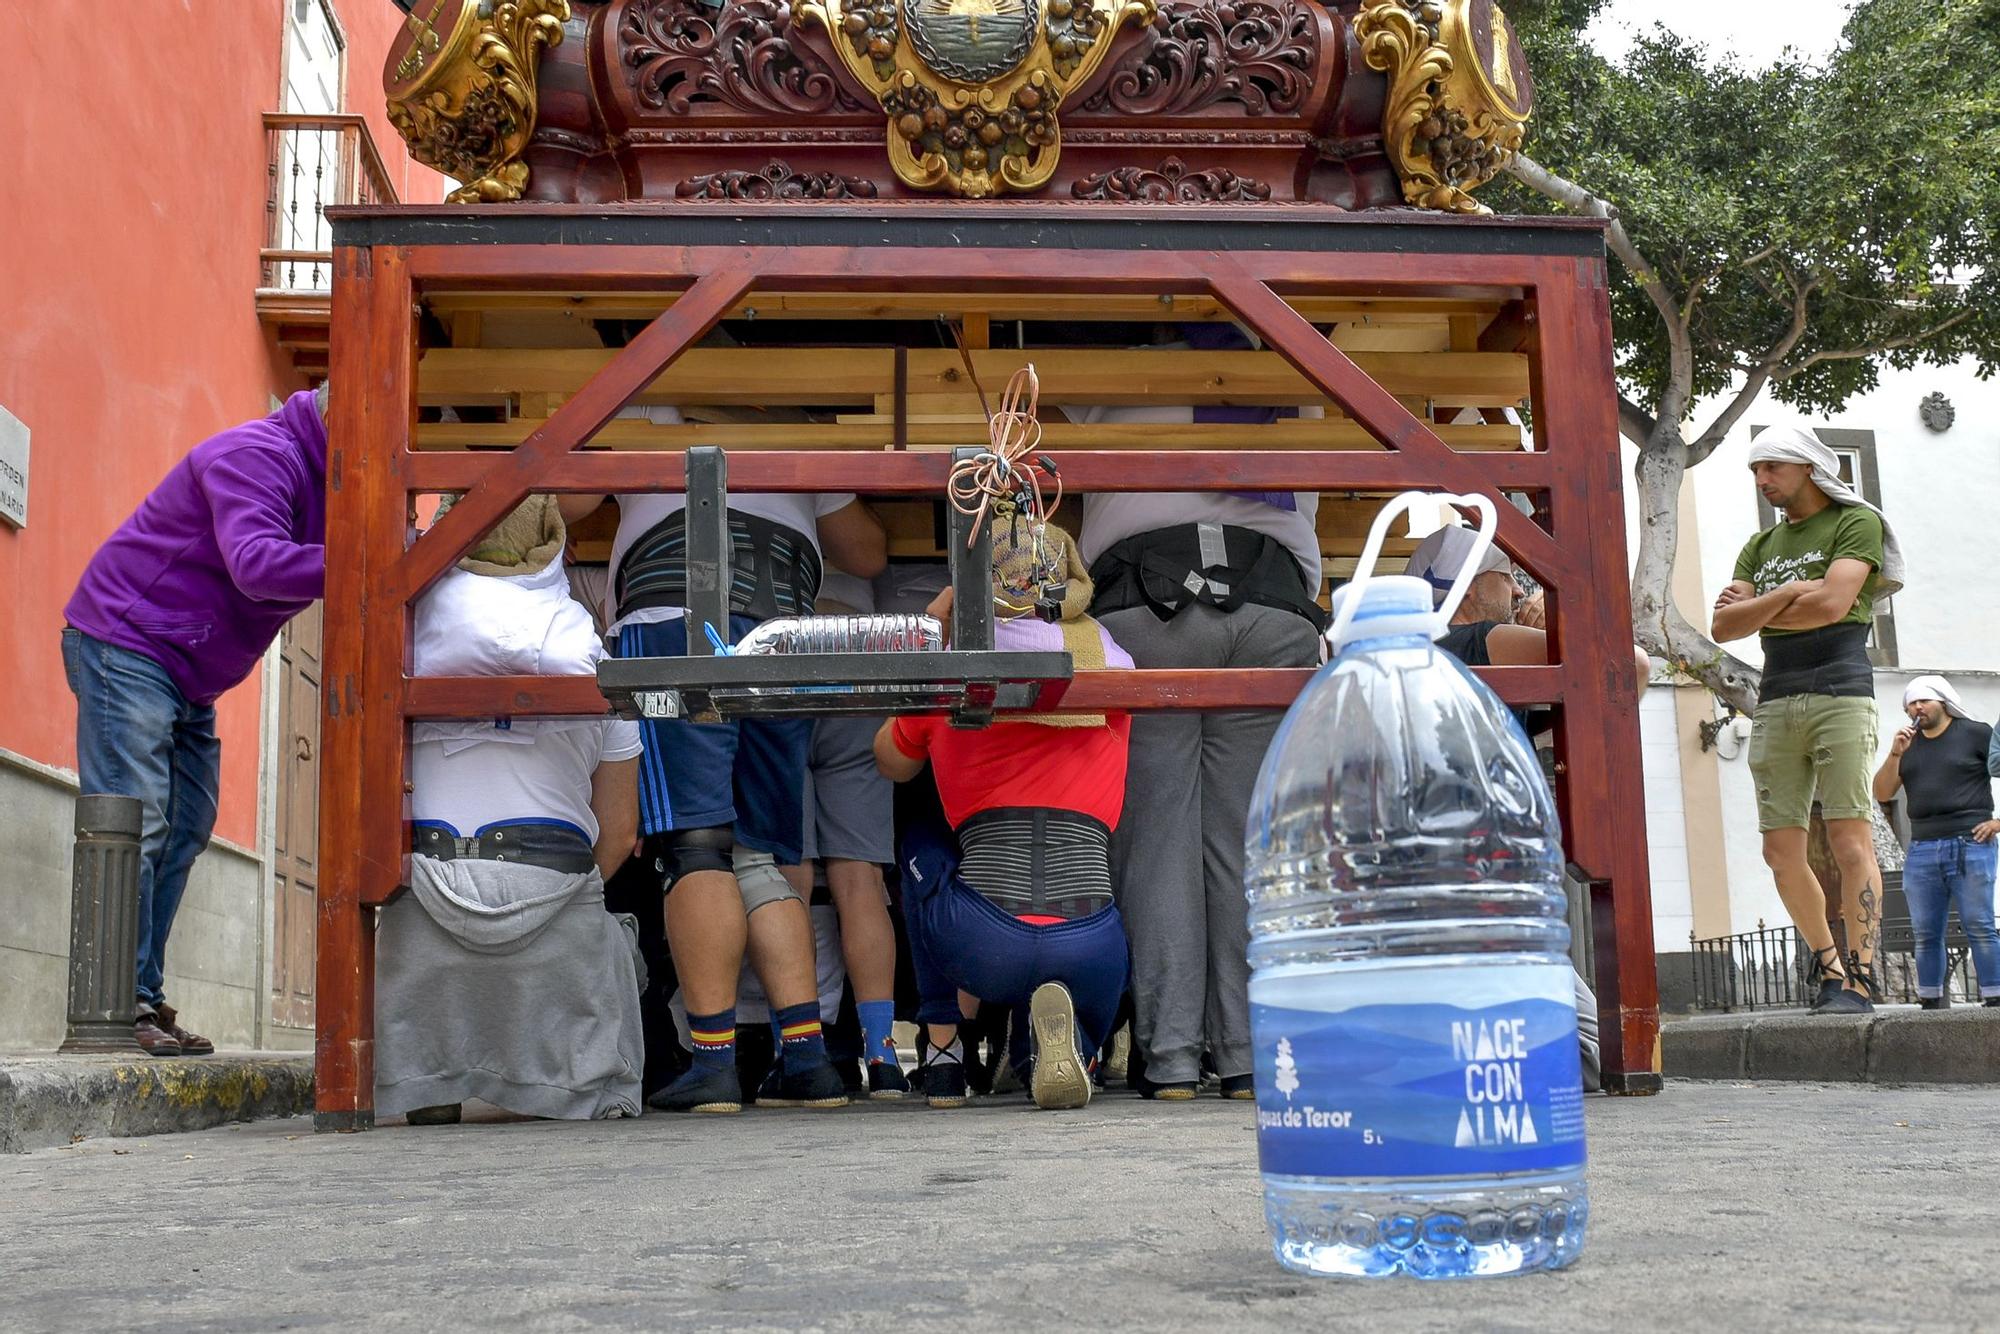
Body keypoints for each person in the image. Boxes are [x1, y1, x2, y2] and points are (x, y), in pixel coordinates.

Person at [563, 446, 887, 1113]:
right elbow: (870, 553)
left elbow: (559, 507)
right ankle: (805, 1058)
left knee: (697, 845)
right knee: (760, 852)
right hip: (784, 624)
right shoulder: (793, 430)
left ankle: (714, 1065)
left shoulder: (633, 413)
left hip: (669, 616)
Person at [1068, 325, 1327, 1101]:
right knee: (1247, 834)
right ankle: (1248, 1055)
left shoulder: (1111, 369)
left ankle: (1173, 1054)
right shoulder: (1304, 383)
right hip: (1275, 607)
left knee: (1156, 840)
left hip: (1145, 609)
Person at [62, 387, 329, 1057]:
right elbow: (258, 564)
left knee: (184, 830)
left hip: (186, 673)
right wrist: (367, 557)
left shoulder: (335, 477)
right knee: (140, 818)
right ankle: (116, 1008)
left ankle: (140, 995)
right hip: (127, 643)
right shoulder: (256, 455)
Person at [376, 495, 647, 1123]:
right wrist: (560, 896)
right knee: (607, 933)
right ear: (552, 547)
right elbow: (619, 832)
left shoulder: (406, 645)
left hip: (427, 891)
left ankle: (428, 1082)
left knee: (405, 914)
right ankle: (579, 1084)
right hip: (550, 881)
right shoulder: (594, 657)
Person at [872, 506, 1135, 1111]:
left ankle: (942, 1055)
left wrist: (928, 639)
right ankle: (1063, 1047)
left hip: (983, 943)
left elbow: (891, 760)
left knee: (918, 839)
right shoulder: (1109, 661)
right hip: (1095, 944)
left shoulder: (952, 663)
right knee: (1098, 864)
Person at [1406, 522, 1649, 1091]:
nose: (1517, 592)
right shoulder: (1480, 642)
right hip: (1486, 878)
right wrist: (1565, 622)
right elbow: (1627, 669)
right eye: (1507, 578)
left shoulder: (1417, 656)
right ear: (1468, 588)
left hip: (1432, 871)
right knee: (1595, 1052)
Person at [1711, 424, 1906, 1014]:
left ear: (1806, 466)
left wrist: (1762, 609)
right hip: (1774, 696)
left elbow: (1834, 604)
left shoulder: (1855, 523)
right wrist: (1790, 592)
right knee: (1780, 850)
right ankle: (1829, 970)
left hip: (1842, 690)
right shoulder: (1759, 545)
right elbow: (1723, 629)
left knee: (1850, 839)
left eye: (1770, 468)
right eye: (1754, 472)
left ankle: (1863, 979)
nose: (1762, 480)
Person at [1871, 676, 2000, 1008]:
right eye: (1911, 704)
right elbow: (1882, 792)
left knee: (1979, 923)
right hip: (1923, 846)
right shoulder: (1908, 745)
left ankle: (1995, 996)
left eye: (1923, 701)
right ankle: (1930, 1000)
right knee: (1926, 930)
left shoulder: (1976, 733)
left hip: (1971, 841)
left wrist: (1998, 823)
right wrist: (1895, 754)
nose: (1917, 708)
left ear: (1943, 702)